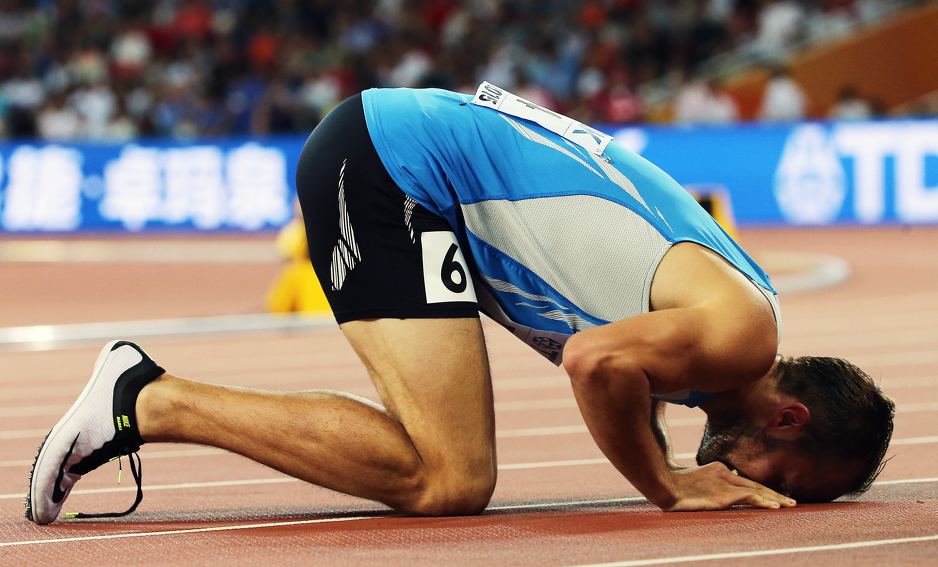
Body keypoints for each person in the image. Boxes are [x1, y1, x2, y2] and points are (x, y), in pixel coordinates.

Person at [26, 83, 895, 525]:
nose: (758, 492)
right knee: (450, 477)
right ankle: (148, 398)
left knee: (446, 470)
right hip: (394, 167)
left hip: (404, 160)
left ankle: (147, 397)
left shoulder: (728, 327)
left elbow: (611, 349)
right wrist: (666, 484)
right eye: (787, 484)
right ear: (788, 418)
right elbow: (597, 360)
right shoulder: (741, 337)